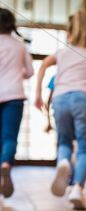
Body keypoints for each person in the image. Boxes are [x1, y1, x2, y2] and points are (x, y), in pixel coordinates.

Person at [35, 10, 86, 210]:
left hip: (59, 99)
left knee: (64, 142)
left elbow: (43, 66)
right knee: (83, 147)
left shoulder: (62, 52)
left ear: (70, 31)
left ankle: (64, 162)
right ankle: (77, 188)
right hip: (83, 98)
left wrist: (38, 94)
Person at [0, 8, 34, 198]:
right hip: (14, 95)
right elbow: (29, 71)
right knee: (10, 137)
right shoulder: (19, 45)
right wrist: (16, 73)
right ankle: (6, 164)